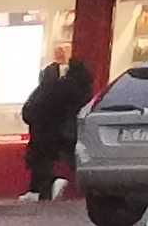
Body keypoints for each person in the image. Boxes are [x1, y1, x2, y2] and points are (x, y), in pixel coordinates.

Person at [18, 52, 92, 206]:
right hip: (67, 131)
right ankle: (44, 189)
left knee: (41, 160)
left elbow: (31, 110)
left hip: (46, 131)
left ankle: (44, 187)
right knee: (73, 159)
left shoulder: (51, 88)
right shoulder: (81, 90)